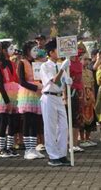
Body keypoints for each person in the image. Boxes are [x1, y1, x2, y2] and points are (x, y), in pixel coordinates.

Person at [40, 39, 71, 167]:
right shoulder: (45, 66)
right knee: (50, 128)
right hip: (49, 97)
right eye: (57, 50)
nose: (59, 53)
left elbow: (61, 82)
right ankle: (53, 156)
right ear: (51, 52)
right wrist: (63, 69)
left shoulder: (60, 65)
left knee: (64, 127)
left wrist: (68, 81)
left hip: (59, 98)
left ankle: (62, 153)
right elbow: (53, 80)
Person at [17, 41, 44, 160]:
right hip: (28, 94)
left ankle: (33, 147)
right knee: (27, 121)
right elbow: (22, 81)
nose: (36, 52)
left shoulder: (36, 63)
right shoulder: (22, 63)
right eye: (34, 50)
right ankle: (28, 149)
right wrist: (35, 87)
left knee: (35, 122)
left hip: (37, 94)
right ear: (27, 51)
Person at [0, 41, 20, 158]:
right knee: (4, 121)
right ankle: (1, 148)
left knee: (13, 121)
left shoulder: (11, 63)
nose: (12, 50)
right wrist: (7, 101)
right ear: (3, 50)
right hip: (4, 94)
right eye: (10, 48)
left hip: (13, 93)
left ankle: (9, 147)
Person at [79, 52, 97, 148]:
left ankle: (88, 138)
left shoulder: (90, 72)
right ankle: (81, 138)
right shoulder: (78, 72)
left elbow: (92, 85)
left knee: (91, 116)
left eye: (87, 60)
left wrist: (93, 96)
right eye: (84, 59)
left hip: (90, 93)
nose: (86, 61)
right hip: (82, 94)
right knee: (82, 117)